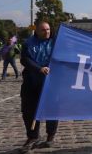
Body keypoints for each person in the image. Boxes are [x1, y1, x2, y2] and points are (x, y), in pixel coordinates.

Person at [19, 22, 58, 152]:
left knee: (52, 110)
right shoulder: (28, 43)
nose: (46, 32)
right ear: (36, 31)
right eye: (43, 30)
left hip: (50, 82)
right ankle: (33, 136)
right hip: (31, 81)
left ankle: (50, 136)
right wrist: (39, 68)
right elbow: (24, 59)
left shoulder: (56, 42)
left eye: (48, 29)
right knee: (29, 110)